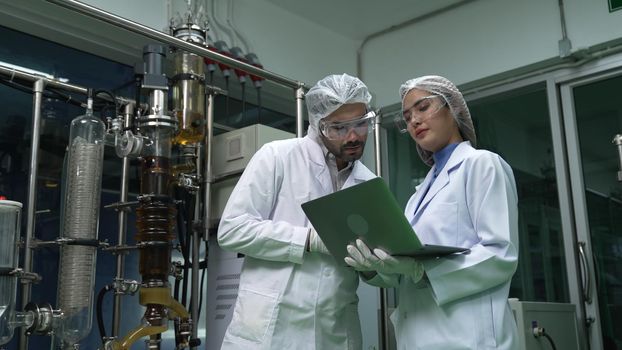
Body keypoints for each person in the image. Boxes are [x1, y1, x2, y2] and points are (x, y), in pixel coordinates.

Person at [344, 75, 519, 349]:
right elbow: (404, 272)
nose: (413, 120)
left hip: (470, 338)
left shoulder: (482, 165)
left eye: (423, 107)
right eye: (407, 116)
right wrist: (373, 268)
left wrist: (421, 271)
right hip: (418, 336)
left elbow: (500, 255)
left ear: (453, 109)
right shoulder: (419, 193)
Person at [217, 73, 377, 350]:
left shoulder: (370, 184)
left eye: (361, 124)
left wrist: (376, 267)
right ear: (318, 125)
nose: (353, 136)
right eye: (339, 128)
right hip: (271, 328)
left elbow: (374, 268)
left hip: (335, 330)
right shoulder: (277, 156)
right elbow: (232, 229)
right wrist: (308, 240)